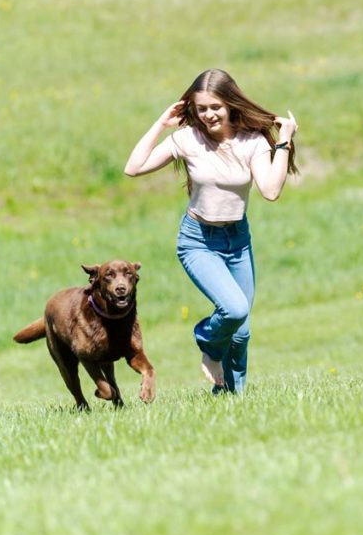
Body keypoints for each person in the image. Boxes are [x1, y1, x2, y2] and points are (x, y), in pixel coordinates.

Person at [123, 69, 298, 394]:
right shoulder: (188, 139)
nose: (208, 115)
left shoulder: (251, 142)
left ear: (230, 104)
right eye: (201, 108)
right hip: (198, 241)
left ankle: (232, 395)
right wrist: (161, 124)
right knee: (234, 309)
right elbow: (133, 168)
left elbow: (271, 190)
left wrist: (285, 140)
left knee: (241, 331)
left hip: (237, 240)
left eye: (215, 107)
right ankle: (207, 340)